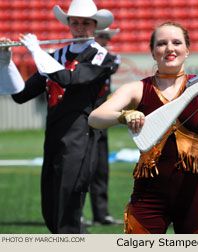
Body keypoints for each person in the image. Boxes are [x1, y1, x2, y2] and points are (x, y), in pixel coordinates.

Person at [88, 21, 198, 234]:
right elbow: (95, 118)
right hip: (148, 196)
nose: (170, 48)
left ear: (187, 51)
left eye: (177, 42)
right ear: (153, 52)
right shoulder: (137, 88)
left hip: (195, 196)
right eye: (162, 43)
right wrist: (124, 116)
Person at [0, 0, 116, 233]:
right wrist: (6, 62)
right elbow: (20, 95)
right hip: (53, 138)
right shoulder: (56, 55)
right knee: (52, 213)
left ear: (95, 26)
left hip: (80, 139)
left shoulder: (102, 57)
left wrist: (36, 51)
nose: (80, 28)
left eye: (86, 23)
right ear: (68, 24)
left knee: (68, 214)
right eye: (75, 22)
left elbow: (69, 79)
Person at [81, 27, 122, 226]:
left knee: (100, 168)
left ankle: (101, 213)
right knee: (81, 167)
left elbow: (108, 67)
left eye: (106, 37)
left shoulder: (110, 58)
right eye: (101, 36)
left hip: (101, 115)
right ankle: (76, 212)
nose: (104, 40)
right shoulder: (84, 57)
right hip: (82, 116)